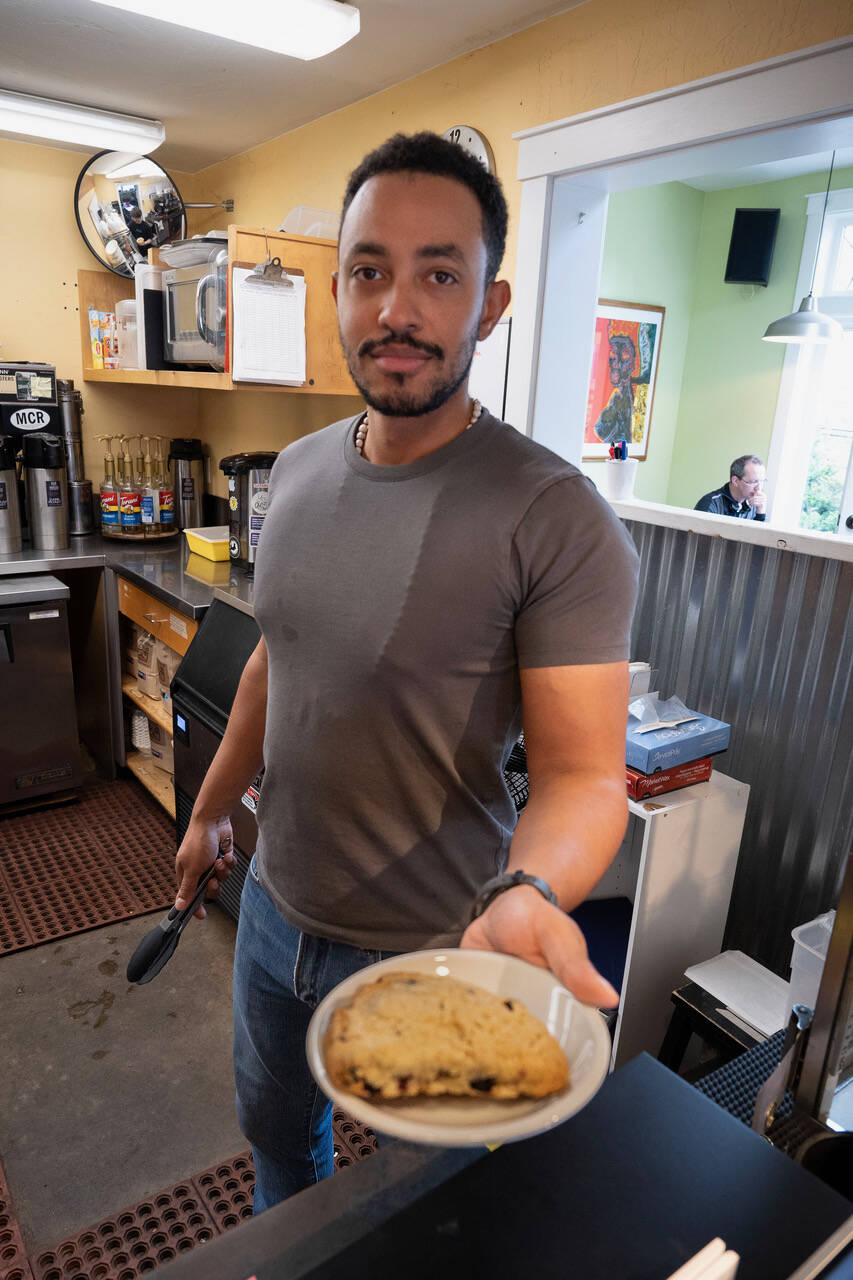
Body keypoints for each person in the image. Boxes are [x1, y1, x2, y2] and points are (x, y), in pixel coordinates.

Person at [173, 131, 639, 1212]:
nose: (398, 308)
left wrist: (529, 889)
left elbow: (583, 775)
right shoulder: (291, 473)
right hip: (275, 908)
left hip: (441, 944)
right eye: (370, 270)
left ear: (489, 303)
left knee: (437, 1209)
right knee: (282, 1152)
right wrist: (207, 814)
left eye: (439, 273)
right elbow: (274, 664)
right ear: (337, 288)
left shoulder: (554, 518)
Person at [695, 455, 766, 520]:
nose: (758, 488)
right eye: (754, 482)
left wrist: (760, 514)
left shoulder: (755, 504)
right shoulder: (710, 503)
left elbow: (755, 534)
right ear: (735, 481)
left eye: (762, 481)